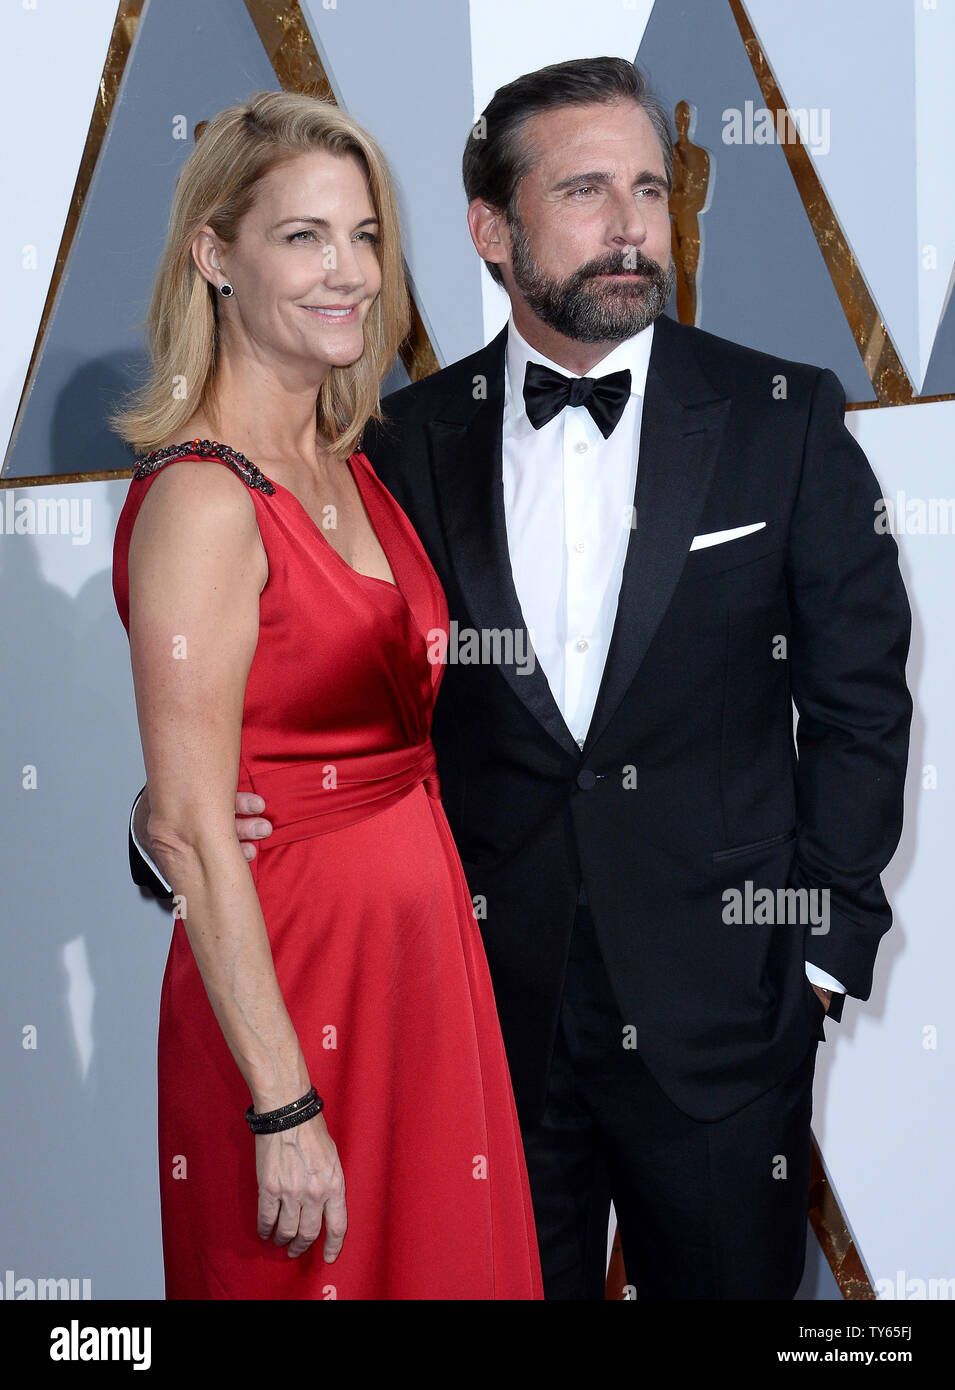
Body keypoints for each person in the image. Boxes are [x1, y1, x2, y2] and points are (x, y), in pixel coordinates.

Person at [133, 58, 912, 1301]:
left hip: (721, 1026)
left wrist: (815, 957)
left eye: (649, 191)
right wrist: (165, 824)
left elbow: (860, 698)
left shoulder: (784, 417)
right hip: (471, 1019)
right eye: (586, 190)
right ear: (490, 230)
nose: (628, 228)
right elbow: (326, 694)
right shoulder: (392, 444)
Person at [112, 90, 542, 1300]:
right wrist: (281, 1097)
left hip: (418, 971)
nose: (347, 270)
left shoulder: (356, 465)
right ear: (215, 256)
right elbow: (196, 828)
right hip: (291, 993)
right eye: (302, 236)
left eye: (363, 236)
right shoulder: (202, 500)